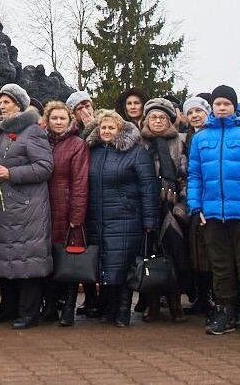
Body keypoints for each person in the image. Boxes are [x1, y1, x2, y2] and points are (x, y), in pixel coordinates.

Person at [187, 85, 240, 338]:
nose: (222, 108)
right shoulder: (200, 138)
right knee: (220, 267)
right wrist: (195, 206)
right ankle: (225, 312)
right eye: (218, 104)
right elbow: (195, 175)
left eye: (227, 104)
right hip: (211, 213)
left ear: (234, 107)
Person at [0, 84, 52, 329]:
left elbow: (45, 167)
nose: (2, 106)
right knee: (7, 259)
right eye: (1, 102)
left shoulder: (32, 132)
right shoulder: (0, 133)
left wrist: (12, 173)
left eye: (8, 102)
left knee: (27, 260)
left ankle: (29, 312)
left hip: (27, 208)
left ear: (20, 105)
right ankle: (9, 307)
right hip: (4, 207)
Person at [85, 110, 157, 327]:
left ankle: (123, 310)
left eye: (111, 128)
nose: (106, 131)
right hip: (98, 218)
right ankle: (109, 307)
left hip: (126, 217)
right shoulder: (93, 151)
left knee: (123, 266)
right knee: (105, 264)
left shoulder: (135, 152)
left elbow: (148, 187)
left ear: (120, 130)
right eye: (103, 127)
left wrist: (150, 221)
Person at [139, 97, 189, 323]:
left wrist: (182, 201)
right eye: (153, 117)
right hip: (146, 206)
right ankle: (152, 305)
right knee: (150, 254)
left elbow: (186, 173)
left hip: (173, 207)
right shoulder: (139, 143)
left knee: (175, 255)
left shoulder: (180, 142)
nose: (157, 121)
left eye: (162, 117)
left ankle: (175, 303)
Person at [41, 101, 88, 326]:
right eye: (54, 118)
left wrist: (77, 216)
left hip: (68, 205)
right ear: (47, 120)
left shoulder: (77, 144)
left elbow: (80, 181)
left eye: (62, 118)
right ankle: (50, 305)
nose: (58, 122)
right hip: (44, 206)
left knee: (69, 258)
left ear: (69, 120)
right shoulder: (42, 141)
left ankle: (69, 307)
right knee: (49, 257)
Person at [180, 95, 212, 316]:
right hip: (193, 198)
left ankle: (214, 298)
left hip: (211, 198)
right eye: (190, 112)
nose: (194, 116)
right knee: (197, 253)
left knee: (211, 253)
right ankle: (201, 296)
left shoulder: (211, 134)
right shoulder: (188, 138)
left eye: (198, 111)